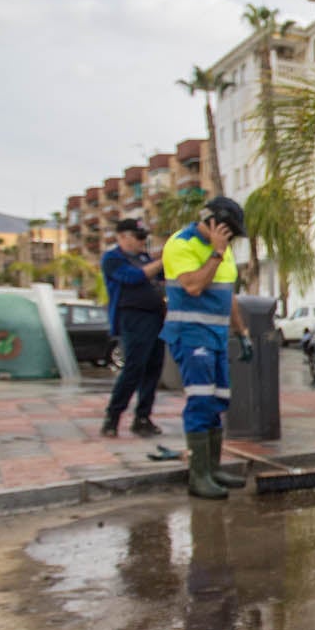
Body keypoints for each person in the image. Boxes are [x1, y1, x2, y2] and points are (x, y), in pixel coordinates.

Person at [162, 197, 253, 499]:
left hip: (215, 336)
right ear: (217, 224)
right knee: (200, 401)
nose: (232, 240)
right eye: (230, 232)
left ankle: (213, 469)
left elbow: (228, 295)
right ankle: (198, 477)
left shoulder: (222, 252)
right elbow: (193, 286)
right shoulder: (181, 244)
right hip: (190, 335)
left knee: (218, 401)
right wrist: (215, 252)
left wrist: (242, 332)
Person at [100, 218, 168, 438]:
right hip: (133, 317)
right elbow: (133, 277)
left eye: (144, 237)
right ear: (122, 237)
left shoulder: (144, 258)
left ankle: (143, 417)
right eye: (138, 237)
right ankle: (113, 417)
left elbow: (162, 276)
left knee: (153, 368)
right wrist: (161, 261)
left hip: (155, 316)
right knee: (134, 368)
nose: (142, 241)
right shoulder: (113, 259)